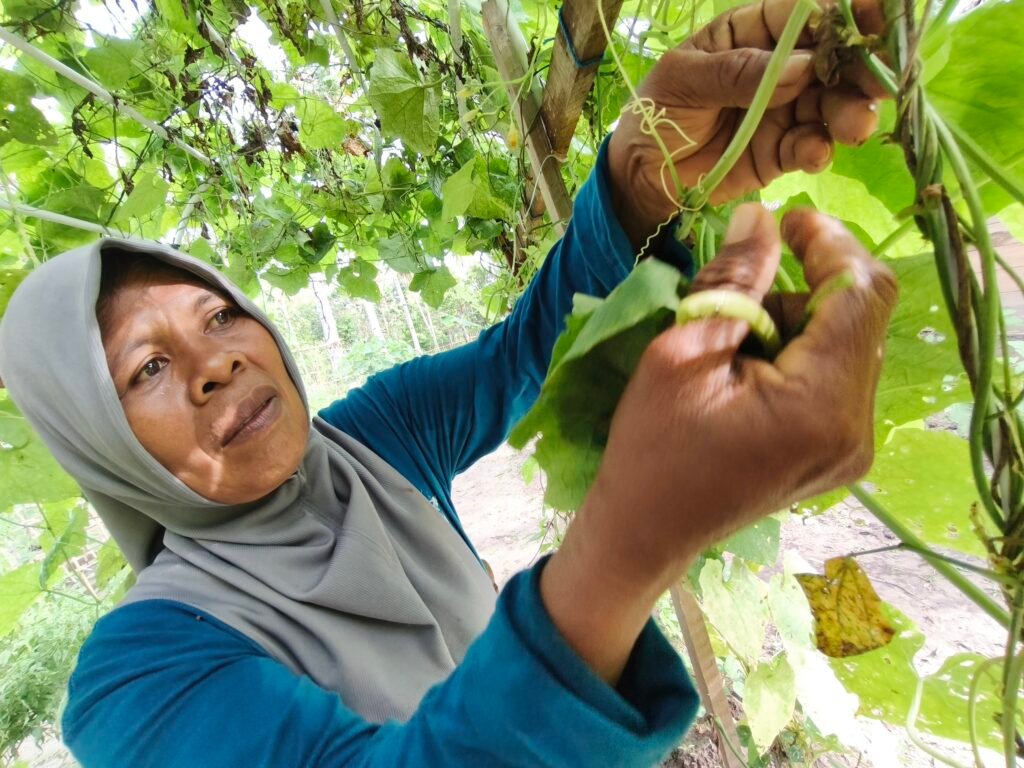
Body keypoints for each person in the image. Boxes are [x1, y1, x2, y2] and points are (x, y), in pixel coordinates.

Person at [0, 0, 896, 765]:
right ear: (98, 444)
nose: (217, 364)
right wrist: (630, 543)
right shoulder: (137, 676)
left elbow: (524, 355)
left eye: (222, 317)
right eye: (148, 369)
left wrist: (642, 175)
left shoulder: (370, 440)